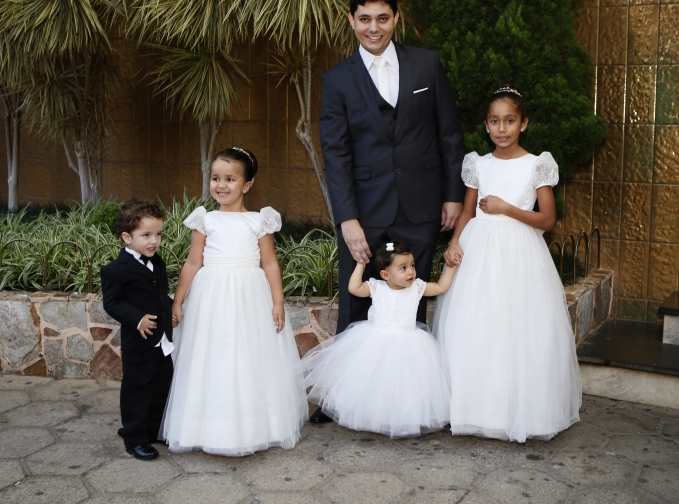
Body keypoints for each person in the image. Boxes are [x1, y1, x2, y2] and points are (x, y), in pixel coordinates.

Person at [317, 0, 465, 424]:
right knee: (356, 304)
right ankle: (342, 399)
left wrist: (453, 196)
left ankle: (408, 401)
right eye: (364, 19)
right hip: (364, 212)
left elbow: (449, 135)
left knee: (410, 305)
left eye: (382, 18)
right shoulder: (336, 80)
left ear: (396, 18)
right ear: (351, 20)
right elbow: (336, 154)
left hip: (421, 205)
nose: (374, 27)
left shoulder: (426, 65)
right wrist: (347, 218)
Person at [434, 85, 582, 443]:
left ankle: (518, 412)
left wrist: (507, 209)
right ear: (486, 125)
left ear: (524, 123)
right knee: (477, 325)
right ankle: (475, 410)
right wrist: (454, 243)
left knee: (518, 328)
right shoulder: (478, 164)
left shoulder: (537, 165)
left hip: (520, 254)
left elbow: (548, 220)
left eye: (510, 121)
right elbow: (467, 211)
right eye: (494, 121)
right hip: (479, 252)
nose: (502, 128)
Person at [161, 147, 308, 456]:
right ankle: (205, 426)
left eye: (230, 179)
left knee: (248, 356)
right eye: (216, 178)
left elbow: (270, 263)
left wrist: (277, 302)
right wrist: (178, 300)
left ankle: (255, 427)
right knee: (211, 355)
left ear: (247, 185)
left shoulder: (259, 221)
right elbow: (192, 262)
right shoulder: (205, 220)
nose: (221, 185)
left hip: (249, 297)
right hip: (211, 296)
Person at [298, 242, 455, 438]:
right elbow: (354, 288)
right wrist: (361, 264)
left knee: (404, 383)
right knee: (374, 381)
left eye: (412, 265)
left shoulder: (417, 287)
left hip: (410, 344)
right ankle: (371, 414)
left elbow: (441, 286)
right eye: (403, 268)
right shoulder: (377, 287)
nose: (411, 271)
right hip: (375, 342)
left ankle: (401, 416)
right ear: (385, 275)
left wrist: (451, 267)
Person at [101, 199, 174, 461]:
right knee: (137, 389)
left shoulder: (158, 263)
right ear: (127, 237)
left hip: (161, 341)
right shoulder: (115, 270)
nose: (154, 241)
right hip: (139, 342)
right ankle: (134, 437)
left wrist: (171, 311)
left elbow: (160, 294)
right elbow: (112, 303)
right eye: (146, 235)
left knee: (162, 385)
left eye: (158, 234)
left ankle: (154, 430)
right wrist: (137, 319)